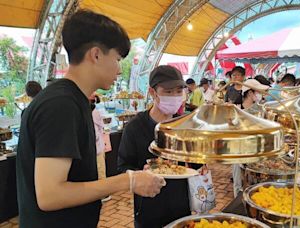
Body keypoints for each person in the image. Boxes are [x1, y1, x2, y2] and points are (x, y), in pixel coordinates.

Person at [16, 10, 165, 228]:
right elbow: (50, 195)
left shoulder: (74, 100)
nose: (119, 70)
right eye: (117, 59)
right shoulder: (61, 105)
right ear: (95, 55)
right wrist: (127, 181)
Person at [118, 65, 201, 227]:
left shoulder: (185, 124)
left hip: (182, 205)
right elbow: (123, 166)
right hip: (149, 208)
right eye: (168, 92)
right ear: (152, 92)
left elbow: (197, 164)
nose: (175, 96)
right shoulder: (135, 127)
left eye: (179, 91)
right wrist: (140, 174)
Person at [232, 79, 269, 197]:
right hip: (238, 151)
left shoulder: (261, 110)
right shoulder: (236, 109)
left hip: (255, 151)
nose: (261, 95)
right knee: (238, 183)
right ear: (249, 93)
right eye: (258, 92)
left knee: (254, 183)